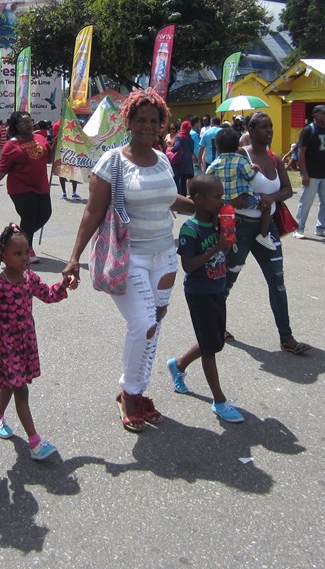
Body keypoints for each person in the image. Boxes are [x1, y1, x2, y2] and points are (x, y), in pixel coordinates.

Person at [61, 89, 194, 432]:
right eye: (141, 120)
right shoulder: (112, 161)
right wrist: (74, 257)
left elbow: (169, 199)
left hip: (164, 256)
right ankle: (130, 393)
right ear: (128, 122)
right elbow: (93, 210)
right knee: (143, 322)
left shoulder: (164, 159)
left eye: (155, 120)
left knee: (156, 322)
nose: (149, 126)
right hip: (128, 256)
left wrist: (204, 207)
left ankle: (137, 391)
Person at [221, 112, 311, 353]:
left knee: (277, 282)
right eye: (263, 127)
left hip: (266, 229)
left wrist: (270, 197)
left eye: (270, 125)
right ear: (251, 129)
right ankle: (215, 326)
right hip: (241, 228)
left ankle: (287, 338)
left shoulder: (275, 158)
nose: (269, 130)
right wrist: (241, 200)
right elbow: (226, 183)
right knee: (227, 280)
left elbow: (287, 189)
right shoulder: (242, 155)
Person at [0, 223, 73, 460]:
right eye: (18, 253)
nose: (25, 258)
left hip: (25, 341)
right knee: (20, 389)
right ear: (2, 256)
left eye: (26, 252)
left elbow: (48, 295)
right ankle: (34, 442)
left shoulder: (29, 278)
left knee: (10, 383)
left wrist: (64, 284)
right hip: (6, 345)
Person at [166, 175, 243, 423]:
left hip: (217, 287)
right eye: (217, 196)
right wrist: (217, 247)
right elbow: (188, 266)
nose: (222, 201)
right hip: (200, 293)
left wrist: (229, 240)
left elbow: (225, 250)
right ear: (198, 199)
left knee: (214, 339)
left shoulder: (219, 223)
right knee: (211, 347)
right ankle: (219, 401)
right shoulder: (191, 229)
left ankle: (178, 365)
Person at [0, 112, 53, 262]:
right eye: (24, 123)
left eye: (30, 121)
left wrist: (58, 144)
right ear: (16, 126)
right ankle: (26, 250)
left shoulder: (40, 139)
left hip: (41, 185)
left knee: (45, 214)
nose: (29, 125)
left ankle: (10, 238)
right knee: (29, 217)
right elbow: (2, 168)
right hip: (20, 187)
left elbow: (50, 158)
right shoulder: (12, 145)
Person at [207, 127, 272, 251]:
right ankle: (264, 235)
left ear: (218, 147)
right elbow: (249, 176)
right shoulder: (241, 161)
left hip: (223, 202)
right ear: (237, 145)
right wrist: (255, 169)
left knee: (218, 216)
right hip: (244, 199)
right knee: (266, 206)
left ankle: (217, 230)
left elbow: (208, 178)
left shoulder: (215, 163)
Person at [294, 104, 325, 239]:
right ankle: (299, 228)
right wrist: (304, 173)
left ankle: (322, 228)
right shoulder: (308, 130)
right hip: (312, 173)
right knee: (306, 202)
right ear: (316, 115)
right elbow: (301, 152)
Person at [170, 119, 196, 196]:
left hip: (179, 162)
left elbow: (176, 148)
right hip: (188, 163)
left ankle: (177, 197)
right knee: (183, 182)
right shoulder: (191, 139)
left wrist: (171, 148)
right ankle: (183, 198)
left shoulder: (179, 137)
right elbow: (191, 150)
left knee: (177, 180)